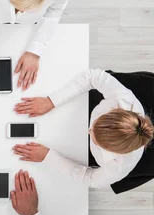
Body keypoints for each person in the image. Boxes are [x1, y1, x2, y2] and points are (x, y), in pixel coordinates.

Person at [13, 68, 154, 189]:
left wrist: (49, 157)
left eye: (97, 141)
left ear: (112, 152)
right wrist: (51, 101)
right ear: (114, 110)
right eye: (95, 126)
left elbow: (90, 179)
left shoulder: (118, 167)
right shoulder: (121, 99)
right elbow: (94, 76)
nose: (88, 131)